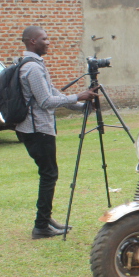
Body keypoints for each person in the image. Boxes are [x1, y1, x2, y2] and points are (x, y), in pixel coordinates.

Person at [16, 26, 97, 239]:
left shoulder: (35, 64)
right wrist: (78, 96)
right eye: (44, 39)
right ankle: (41, 226)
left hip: (39, 129)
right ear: (33, 41)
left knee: (49, 174)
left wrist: (81, 106)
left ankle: (45, 219)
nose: (49, 42)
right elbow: (45, 101)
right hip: (37, 130)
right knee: (49, 174)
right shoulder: (32, 68)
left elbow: (53, 94)